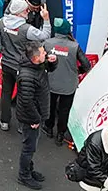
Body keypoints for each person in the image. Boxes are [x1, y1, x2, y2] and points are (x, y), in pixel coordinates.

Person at [0, 0, 51, 132]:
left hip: (6, 64)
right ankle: (22, 125)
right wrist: (46, 20)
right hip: (22, 67)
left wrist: (6, 54)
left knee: (6, 93)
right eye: (25, 10)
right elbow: (45, 36)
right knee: (24, 96)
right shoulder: (27, 29)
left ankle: (4, 121)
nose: (28, 12)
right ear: (20, 13)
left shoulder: (2, 22)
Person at [44, 18, 91, 146]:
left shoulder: (47, 43)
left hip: (51, 82)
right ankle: (60, 134)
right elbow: (87, 65)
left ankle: (48, 128)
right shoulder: (74, 46)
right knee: (64, 110)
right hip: (69, 85)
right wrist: (77, 71)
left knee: (50, 106)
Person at [15, 43, 52, 190]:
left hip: (35, 115)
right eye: (43, 53)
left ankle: (28, 170)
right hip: (31, 119)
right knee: (29, 148)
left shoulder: (36, 66)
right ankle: (24, 176)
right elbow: (26, 101)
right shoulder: (27, 76)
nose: (46, 54)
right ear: (36, 58)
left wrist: (52, 63)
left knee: (31, 146)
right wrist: (35, 119)